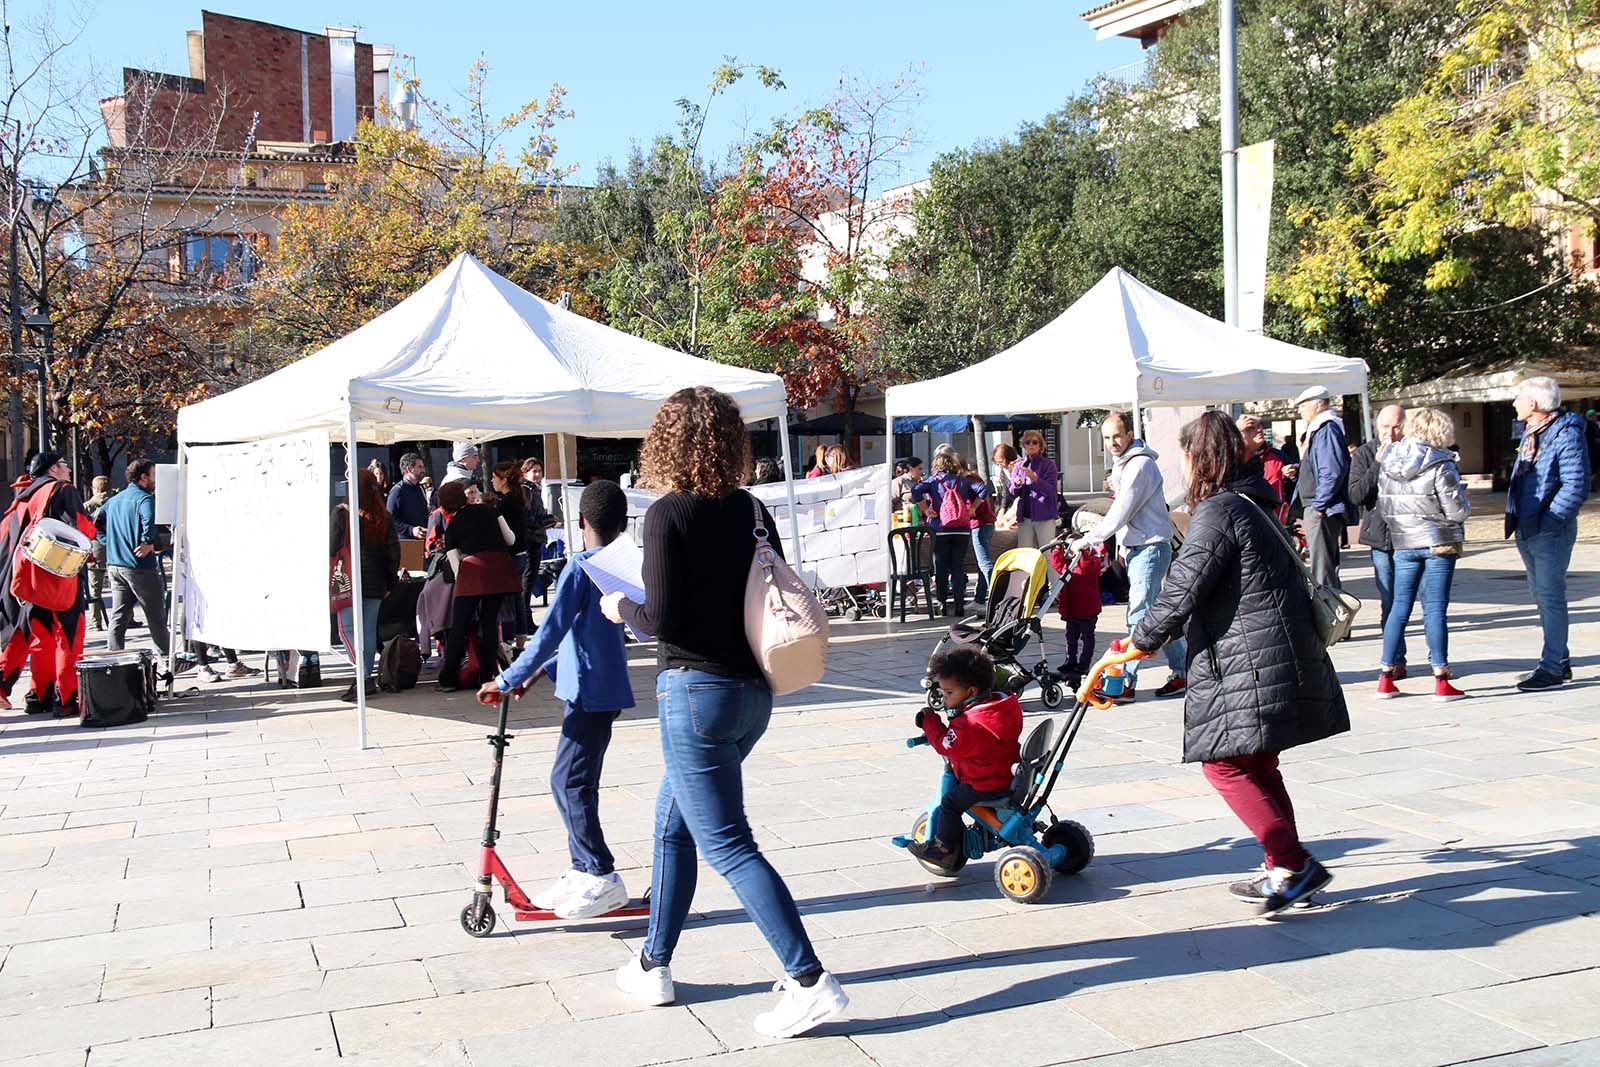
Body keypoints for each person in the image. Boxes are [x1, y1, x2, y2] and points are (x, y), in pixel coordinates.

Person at [598, 385, 846, 1039]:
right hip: (751, 694)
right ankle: (653, 962)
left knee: (729, 844)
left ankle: (809, 980)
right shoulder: (753, 509)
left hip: (695, 693)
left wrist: (618, 608)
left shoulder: (666, 515)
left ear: (667, 443)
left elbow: (662, 619)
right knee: (671, 824)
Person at [1126, 410, 1347, 913]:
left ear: (1196, 458)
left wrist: (1137, 642)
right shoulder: (1250, 499)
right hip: (1268, 649)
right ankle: (1284, 869)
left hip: (1249, 658)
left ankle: (1294, 864)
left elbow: (1183, 585)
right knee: (1257, 762)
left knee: (1225, 765)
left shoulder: (1219, 511)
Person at [477, 480, 635, 920]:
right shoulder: (614, 566)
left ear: (581, 522)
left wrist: (508, 678)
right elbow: (577, 634)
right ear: (622, 525)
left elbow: (550, 631)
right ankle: (582, 868)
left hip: (589, 691)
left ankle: (599, 873)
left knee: (570, 783)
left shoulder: (581, 567)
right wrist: (539, 676)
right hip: (594, 686)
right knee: (572, 781)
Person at [1072, 413, 1186, 702]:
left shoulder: (1140, 464)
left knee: (1138, 615)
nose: (1113, 442)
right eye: (1107, 438)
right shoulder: (1125, 463)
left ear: (1131, 433)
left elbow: (1123, 510)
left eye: (1118, 436)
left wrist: (1089, 538)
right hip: (1140, 547)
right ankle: (1183, 670)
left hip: (1150, 547)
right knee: (1157, 615)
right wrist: (1123, 548)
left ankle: (1124, 681)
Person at [1375, 408, 1470, 701]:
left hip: (1403, 541)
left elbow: (1385, 506)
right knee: (1435, 608)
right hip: (1438, 542)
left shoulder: (1389, 460)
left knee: (1399, 607)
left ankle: (1386, 676)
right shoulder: (1442, 462)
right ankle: (1441, 677)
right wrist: (1465, 505)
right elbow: (1456, 511)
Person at [1505, 376, 1591, 690]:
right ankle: (1559, 660)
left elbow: (1575, 484)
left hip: (1548, 530)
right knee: (1542, 598)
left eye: (1518, 397)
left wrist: (1550, 522)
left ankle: (1552, 667)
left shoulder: (1564, 434)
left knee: (1551, 599)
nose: (1514, 402)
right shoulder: (1533, 433)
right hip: (1528, 527)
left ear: (1535, 404)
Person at [905, 646, 1023, 871]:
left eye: (949, 694)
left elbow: (946, 745)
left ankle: (943, 851)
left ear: (970, 692)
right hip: (1001, 773)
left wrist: (929, 721)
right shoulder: (1002, 705)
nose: (945, 700)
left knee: (950, 803)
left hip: (984, 782)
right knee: (957, 795)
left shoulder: (971, 723)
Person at [0, 453, 98, 717]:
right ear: (54, 468)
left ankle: (38, 696)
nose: (68, 468)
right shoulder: (62, 490)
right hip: (57, 575)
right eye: (65, 464)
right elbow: (81, 528)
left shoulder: (22, 497)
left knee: (41, 638)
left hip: (25, 579)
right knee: (68, 638)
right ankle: (66, 699)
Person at [438, 474, 519, 692]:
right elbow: (511, 539)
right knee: (490, 622)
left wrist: (463, 585)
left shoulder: (452, 526)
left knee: (460, 626)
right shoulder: (490, 510)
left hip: (473, 572)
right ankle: (488, 673)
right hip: (500, 568)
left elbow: (456, 565)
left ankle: (448, 678)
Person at [331, 469, 401, 702]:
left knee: (347, 630)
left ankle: (362, 676)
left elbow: (331, 547)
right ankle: (366, 675)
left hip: (347, 579)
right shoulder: (384, 516)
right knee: (368, 631)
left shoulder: (342, 513)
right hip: (377, 581)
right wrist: (391, 580)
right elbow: (394, 551)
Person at [1347, 404, 1406, 670]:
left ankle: (1438, 660)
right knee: (1390, 599)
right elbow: (1357, 494)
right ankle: (1395, 659)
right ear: (1376, 426)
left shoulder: (1414, 450)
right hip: (1381, 537)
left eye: (1396, 427)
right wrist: (1378, 464)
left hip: (1412, 536)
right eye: (1385, 427)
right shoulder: (1366, 453)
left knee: (1427, 601)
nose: (1391, 434)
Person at [102, 459, 170, 659]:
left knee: (119, 614)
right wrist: (147, 541)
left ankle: (115, 654)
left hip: (115, 563)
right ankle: (166, 655)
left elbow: (95, 522)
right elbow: (149, 520)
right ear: (143, 477)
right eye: (154, 475)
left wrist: (108, 541)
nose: (156, 480)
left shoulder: (114, 500)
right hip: (138, 565)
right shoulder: (145, 499)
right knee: (155, 613)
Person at [1292, 385, 1352, 590]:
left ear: (1318, 404)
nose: (1300, 411)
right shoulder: (1323, 429)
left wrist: (1319, 506)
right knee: (1323, 567)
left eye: (1303, 406)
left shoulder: (1326, 429)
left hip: (1321, 509)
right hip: (1319, 506)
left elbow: (1332, 472)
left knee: (1322, 572)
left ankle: (1329, 614)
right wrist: (1299, 469)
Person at [914, 449, 984, 617]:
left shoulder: (933, 481)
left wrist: (925, 509)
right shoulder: (963, 481)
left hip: (940, 529)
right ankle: (959, 605)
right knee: (958, 567)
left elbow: (916, 490)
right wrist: (973, 508)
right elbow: (983, 489)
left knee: (941, 568)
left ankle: (942, 603)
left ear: (936, 465)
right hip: (962, 529)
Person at [1050, 541, 1104, 690]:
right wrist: (1056, 550)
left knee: (1087, 638)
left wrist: (1083, 553)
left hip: (1087, 611)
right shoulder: (1070, 568)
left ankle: (1084, 663)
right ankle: (1070, 660)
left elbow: (1089, 566)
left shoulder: (1090, 564)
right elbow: (1058, 565)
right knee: (1070, 637)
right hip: (1072, 612)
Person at [490, 460, 532, 653]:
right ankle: (520, 642)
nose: (491, 480)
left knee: (509, 600)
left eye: (494, 477)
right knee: (517, 599)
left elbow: (506, 535)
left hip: (512, 556)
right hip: (521, 555)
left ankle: (508, 640)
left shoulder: (506, 502)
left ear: (504, 480)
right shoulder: (517, 498)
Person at [1008, 430, 1059, 549]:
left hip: (1045, 516)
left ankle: (1049, 569)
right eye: (1027, 442)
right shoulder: (1018, 466)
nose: (1031, 445)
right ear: (1023, 446)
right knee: (1025, 552)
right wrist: (1017, 485)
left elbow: (1050, 490)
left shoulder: (1048, 464)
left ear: (1040, 446)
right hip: (1025, 516)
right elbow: (1011, 492)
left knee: (1047, 552)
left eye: (1035, 442)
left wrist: (1035, 478)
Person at [1236, 414, 1291, 522]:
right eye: (1251, 428)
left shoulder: (1278, 456)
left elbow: (1293, 486)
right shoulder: (1233, 460)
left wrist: (1293, 474)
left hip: (1277, 520)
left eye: (1259, 426)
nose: (1259, 430)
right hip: (1247, 519)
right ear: (1240, 435)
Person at [84, 475, 115, 631]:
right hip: (116, 550)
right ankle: (125, 619)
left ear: (94, 489)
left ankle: (95, 622)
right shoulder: (117, 502)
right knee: (120, 586)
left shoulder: (87, 506)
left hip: (96, 552)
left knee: (94, 589)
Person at [967, 459, 998, 604]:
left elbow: (983, 490)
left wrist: (972, 508)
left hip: (980, 523)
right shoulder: (973, 478)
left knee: (984, 563)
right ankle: (979, 599)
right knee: (983, 564)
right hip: (986, 523)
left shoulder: (968, 480)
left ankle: (996, 597)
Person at [386, 452, 430, 540]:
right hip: (406, 542)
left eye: (423, 466)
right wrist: (411, 530)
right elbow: (390, 519)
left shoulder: (420, 488)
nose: (423, 470)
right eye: (420, 467)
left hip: (422, 540)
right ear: (409, 469)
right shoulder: (397, 491)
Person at [990, 444, 1018, 514]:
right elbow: (1006, 491)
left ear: (1009, 458)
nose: (1000, 466)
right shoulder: (1003, 472)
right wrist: (1003, 508)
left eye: (1001, 462)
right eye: (997, 463)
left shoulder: (1021, 467)